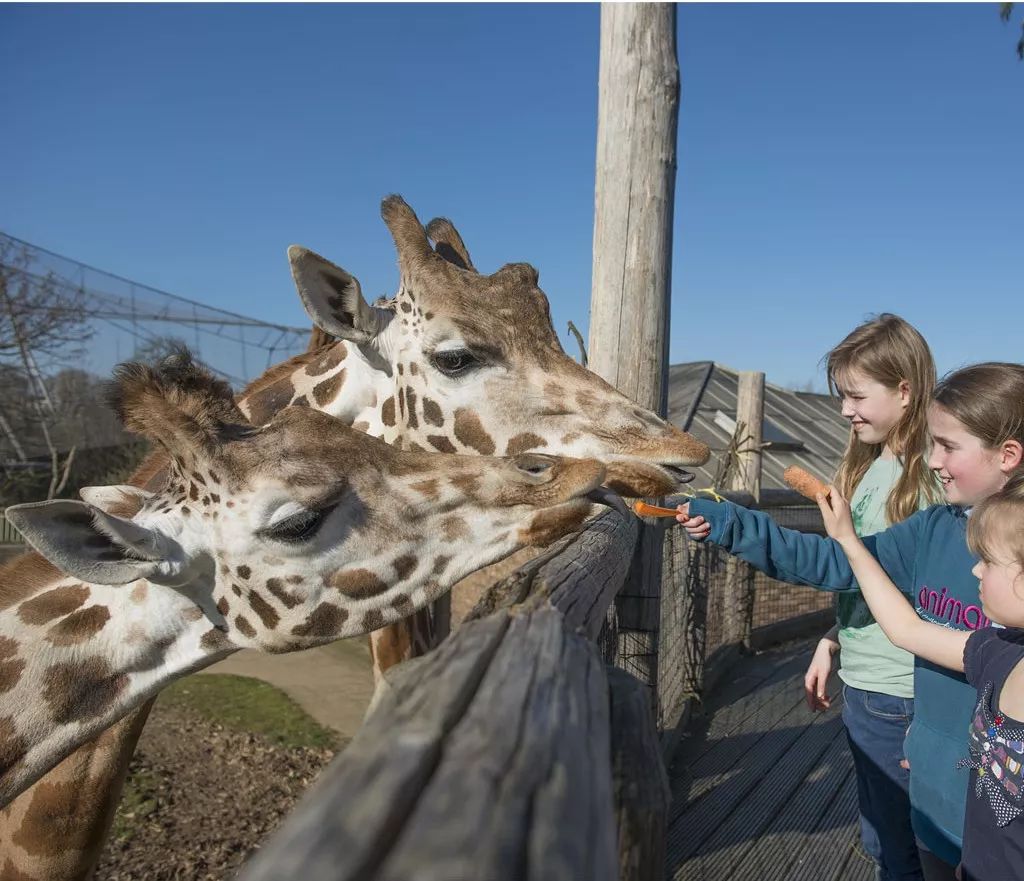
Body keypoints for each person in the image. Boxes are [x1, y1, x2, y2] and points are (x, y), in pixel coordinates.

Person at [677, 362, 1024, 881]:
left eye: (948, 446)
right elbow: (845, 565)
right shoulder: (933, 528)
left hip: (999, 821)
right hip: (934, 795)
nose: (932, 461)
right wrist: (736, 526)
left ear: (1008, 455)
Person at [814, 471, 1024, 881]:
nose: (976, 573)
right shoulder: (995, 651)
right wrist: (849, 543)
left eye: (990, 561)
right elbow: (906, 629)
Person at [790, 314, 940, 881]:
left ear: (905, 391)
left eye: (857, 395)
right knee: (884, 834)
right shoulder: (871, 468)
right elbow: (870, 579)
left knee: (900, 846)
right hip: (868, 678)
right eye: (842, 396)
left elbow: (907, 583)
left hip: (898, 690)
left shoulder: (923, 481)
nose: (845, 410)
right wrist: (832, 639)